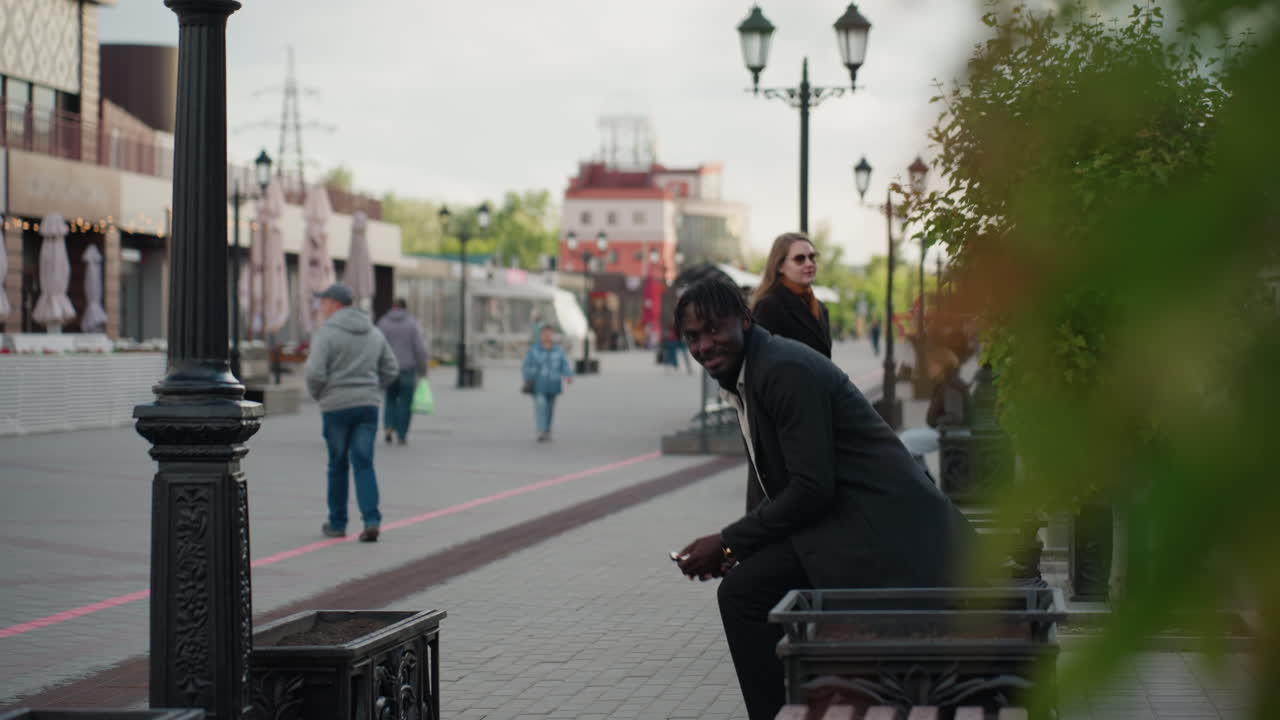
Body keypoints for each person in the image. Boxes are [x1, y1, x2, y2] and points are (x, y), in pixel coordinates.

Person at [671, 277, 973, 720]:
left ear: (746, 319)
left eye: (715, 329)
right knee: (749, 585)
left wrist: (730, 541)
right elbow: (786, 486)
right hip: (848, 523)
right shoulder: (750, 372)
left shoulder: (781, 370)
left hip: (882, 531)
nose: (704, 345)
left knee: (742, 596)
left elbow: (812, 489)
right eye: (693, 337)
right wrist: (743, 546)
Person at [304, 283, 399, 543]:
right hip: (367, 406)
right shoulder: (374, 332)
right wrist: (373, 389)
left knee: (337, 464)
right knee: (364, 462)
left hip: (335, 407)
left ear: (335, 304)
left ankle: (337, 523)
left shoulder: (326, 334)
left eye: (323, 302)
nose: (321, 307)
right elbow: (391, 368)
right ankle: (371, 519)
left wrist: (320, 395)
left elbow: (314, 373)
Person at [750, 232, 832, 359]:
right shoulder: (769, 306)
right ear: (780, 266)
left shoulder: (821, 308)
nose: (809, 263)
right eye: (800, 259)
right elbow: (761, 361)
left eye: (812, 257)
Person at [376, 298, 429, 446]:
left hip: (388, 368)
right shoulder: (412, 324)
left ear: (392, 307)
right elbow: (419, 349)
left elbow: (377, 345)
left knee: (390, 398)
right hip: (407, 369)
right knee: (406, 402)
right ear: (405, 308)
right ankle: (402, 434)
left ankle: (388, 427)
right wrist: (423, 370)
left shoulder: (383, 323)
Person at [522, 324, 574, 442]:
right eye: (545, 333)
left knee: (550, 409)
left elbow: (564, 364)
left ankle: (547, 429)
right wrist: (527, 378)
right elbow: (526, 365)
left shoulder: (558, 350)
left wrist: (568, 375)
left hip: (553, 384)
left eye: (549, 333)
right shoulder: (534, 350)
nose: (547, 336)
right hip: (538, 384)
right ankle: (541, 430)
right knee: (541, 406)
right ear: (540, 335)